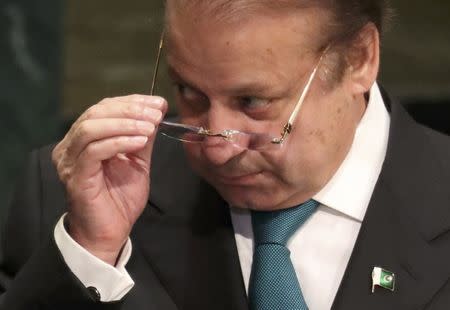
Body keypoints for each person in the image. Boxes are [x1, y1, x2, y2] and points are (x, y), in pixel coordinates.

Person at [1, 0, 449, 309]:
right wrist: (91, 254)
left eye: (253, 103)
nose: (217, 147)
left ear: (359, 60)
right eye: (189, 93)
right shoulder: (72, 199)